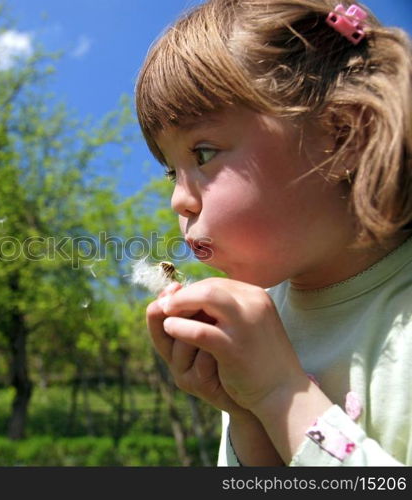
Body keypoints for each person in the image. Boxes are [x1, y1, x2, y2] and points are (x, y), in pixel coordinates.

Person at [136, 0, 412, 465]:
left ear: (344, 136)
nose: (178, 200)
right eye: (171, 172)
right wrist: (244, 412)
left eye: (202, 154)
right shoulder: (257, 331)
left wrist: (281, 394)